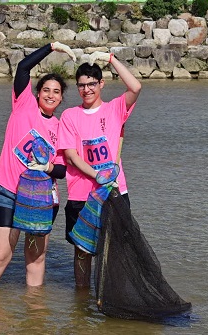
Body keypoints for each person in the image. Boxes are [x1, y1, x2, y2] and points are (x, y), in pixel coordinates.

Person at [0, 42, 77, 290]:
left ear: (62, 97)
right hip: (7, 191)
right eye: (45, 90)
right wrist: (52, 47)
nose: (50, 95)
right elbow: (23, 67)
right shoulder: (23, 105)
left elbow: (63, 170)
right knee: (0, 255)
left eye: (56, 91)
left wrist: (47, 169)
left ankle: (34, 314)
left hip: (41, 200)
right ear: (37, 93)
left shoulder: (62, 127)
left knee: (36, 258)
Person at [58, 53, 141, 288]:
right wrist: (97, 175)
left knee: (115, 250)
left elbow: (135, 87)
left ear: (101, 84)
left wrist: (111, 58)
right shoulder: (69, 116)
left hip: (114, 192)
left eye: (91, 84)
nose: (86, 90)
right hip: (81, 195)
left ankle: (111, 295)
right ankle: (81, 299)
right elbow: (71, 156)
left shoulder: (115, 109)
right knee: (82, 251)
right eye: (82, 85)